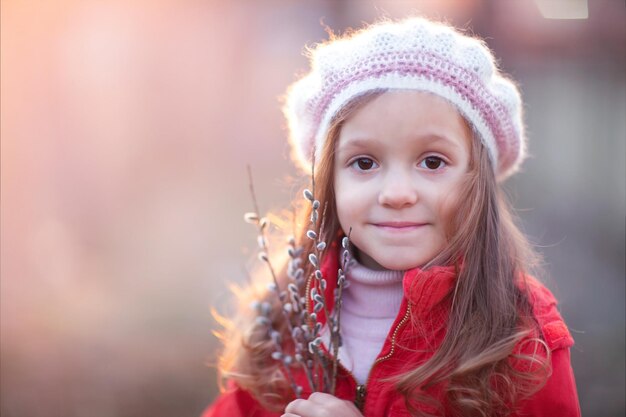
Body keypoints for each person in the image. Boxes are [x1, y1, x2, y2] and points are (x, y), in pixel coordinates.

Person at [202, 17, 581, 417]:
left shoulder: (520, 333)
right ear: (329, 179)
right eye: (364, 162)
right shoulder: (286, 319)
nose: (397, 193)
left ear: (477, 180)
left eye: (432, 161)